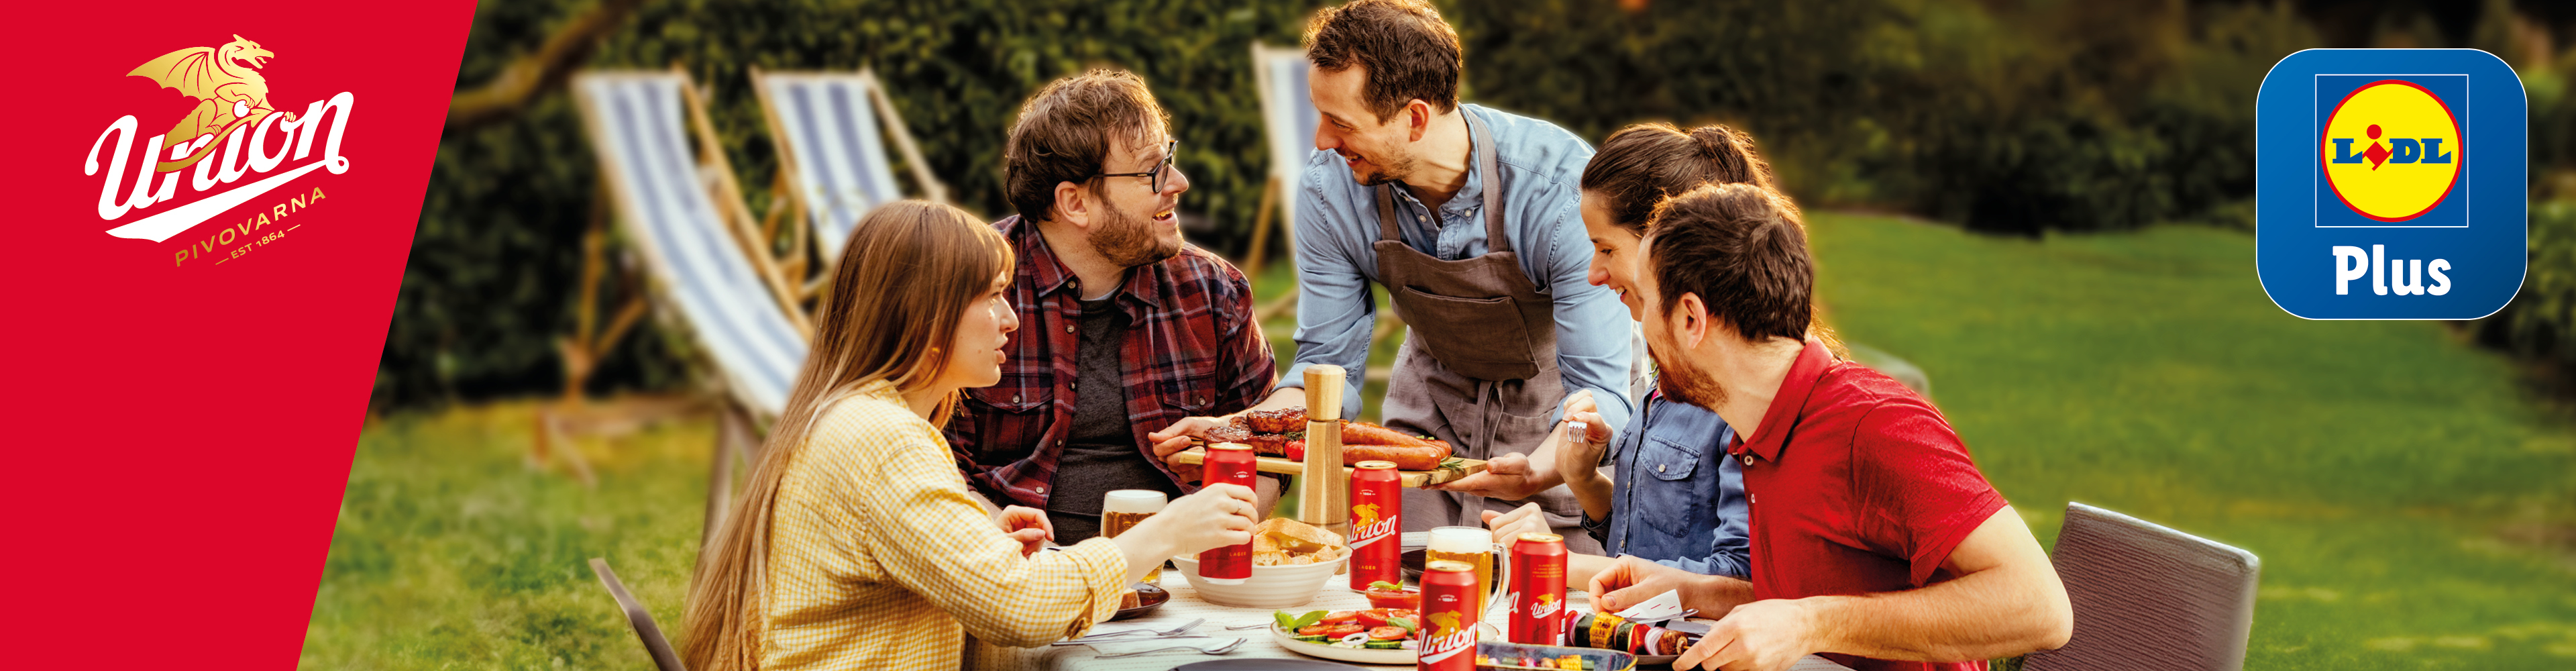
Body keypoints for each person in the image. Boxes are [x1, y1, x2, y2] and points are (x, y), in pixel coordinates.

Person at [679, 201, 1262, 671]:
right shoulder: (882, 441)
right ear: (924, 317)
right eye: (989, 297)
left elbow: (971, 586)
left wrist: (977, 541)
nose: (1010, 318)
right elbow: (1018, 608)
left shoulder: (855, 418)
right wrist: (1167, 531)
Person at [1149, 0, 1631, 552]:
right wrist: (1237, 431)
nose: (1322, 141)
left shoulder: (1559, 191)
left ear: (1416, 119)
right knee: (1392, 599)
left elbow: (1602, 392)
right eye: (1319, 115)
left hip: (1551, 435)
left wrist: (1542, 469)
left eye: (1341, 123)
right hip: (1426, 425)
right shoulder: (1330, 190)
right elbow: (1327, 370)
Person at [1592, 184, 2070, 671]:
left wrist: (1810, 623)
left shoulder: (1875, 425)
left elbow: (2041, 606)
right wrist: (1701, 592)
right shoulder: (1762, 432)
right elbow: (1819, 596)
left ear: (1692, 318)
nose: (1643, 325)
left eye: (1646, 302)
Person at [947, 70, 1281, 541]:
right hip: (1023, 574)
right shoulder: (973, 291)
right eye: (1152, 171)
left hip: (1182, 576)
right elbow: (933, 468)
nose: (1179, 182)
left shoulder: (1211, 290)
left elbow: (1272, 454)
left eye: (1170, 159)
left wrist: (1219, 540)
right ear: (1075, 203)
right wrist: (1015, 552)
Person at [1483, 122, 1772, 591]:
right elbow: (1653, 538)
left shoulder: (1744, 396)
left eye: (1606, 249)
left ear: (1670, 248)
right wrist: (1584, 480)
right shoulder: (1670, 379)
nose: (1594, 273)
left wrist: (1557, 561)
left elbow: (1740, 581)